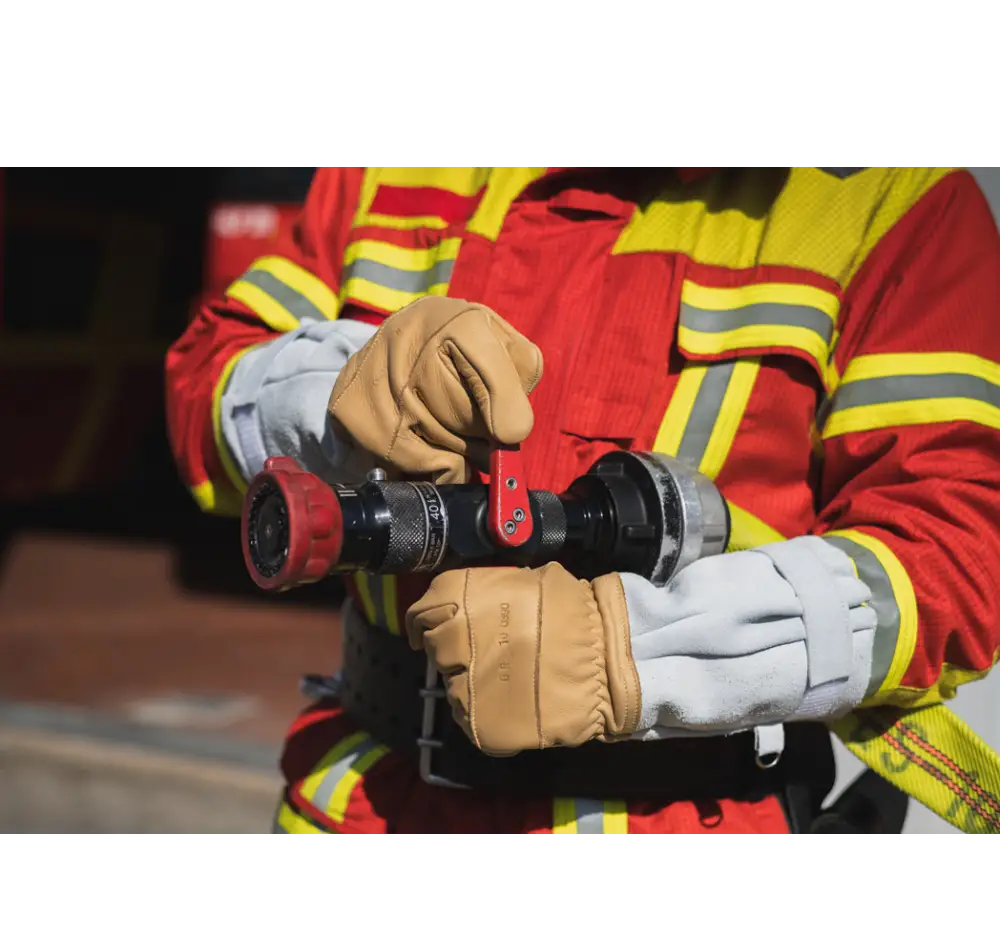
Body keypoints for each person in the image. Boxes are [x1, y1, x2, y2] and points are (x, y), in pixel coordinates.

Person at [166, 161, 1000, 839]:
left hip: (689, 808)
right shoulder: (388, 169)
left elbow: (958, 564)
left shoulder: (896, 200)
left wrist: (635, 655)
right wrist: (334, 399)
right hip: (365, 807)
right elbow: (202, 387)